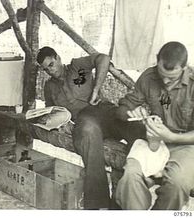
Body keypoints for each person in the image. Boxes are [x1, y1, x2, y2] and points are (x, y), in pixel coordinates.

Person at [37, 46, 146, 209]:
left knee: (137, 127)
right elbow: (52, 111)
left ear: (58, 58)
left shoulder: (77, 66)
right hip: (84, 119)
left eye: (51, 64)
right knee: (88, 133)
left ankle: (131, 193)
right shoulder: (49, 87)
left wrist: (96, 89)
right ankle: (98, 204)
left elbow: (103, 59)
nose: (50, 71)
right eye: (46, 69)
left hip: (105, 111)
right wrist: (58, 122)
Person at [115, 41, 194, 210]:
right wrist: (131, 111)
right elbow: (122, 108)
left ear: (184, 68)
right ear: (157, 61)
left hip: (186, 145)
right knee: (130, 176)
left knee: (177, 183)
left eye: (171, 77)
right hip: (154, 142)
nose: (165, 81)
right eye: (161, 73)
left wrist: (171, 137)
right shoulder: (149, 77)